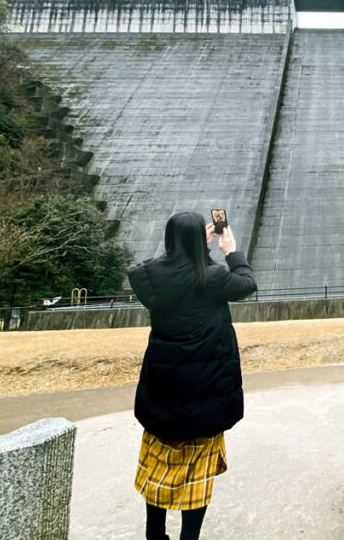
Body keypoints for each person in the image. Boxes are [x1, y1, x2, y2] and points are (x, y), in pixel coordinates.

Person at [129, 212, 256, 540]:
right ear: (202, 240)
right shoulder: (212, 278)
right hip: (205, 395)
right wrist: (229, 251)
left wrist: (190, 245)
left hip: (163, 396)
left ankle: (154, 535)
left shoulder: (151, 277)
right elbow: (247, 283)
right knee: (196, 476)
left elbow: (169, 268)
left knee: (158, 468)